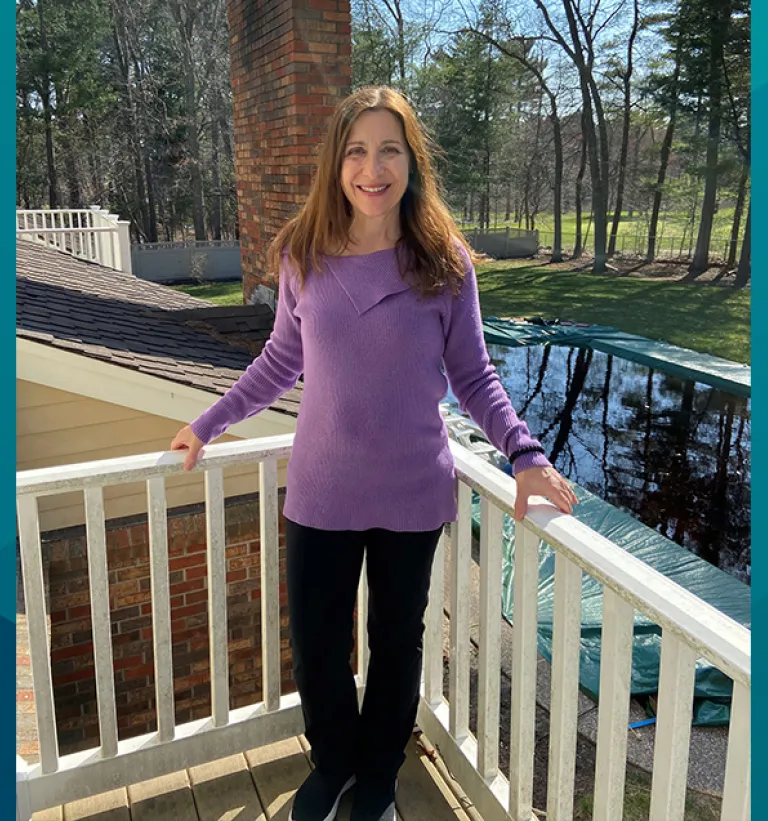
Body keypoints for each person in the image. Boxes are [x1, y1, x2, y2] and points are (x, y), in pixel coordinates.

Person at [170, 85, 577, 821]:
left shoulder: (444, 262)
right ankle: (332, 765)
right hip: (321, 489)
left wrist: (524, 452)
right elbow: (277, 363)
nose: (372, 166)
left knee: (396, 643)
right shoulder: (304, 252)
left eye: (390, 149)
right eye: (358, 149)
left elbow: (475, 374)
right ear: (338, 161)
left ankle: (380, 777)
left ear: (411, 163)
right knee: (318, 644)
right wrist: (208, 422)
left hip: (412, 491)